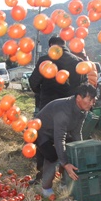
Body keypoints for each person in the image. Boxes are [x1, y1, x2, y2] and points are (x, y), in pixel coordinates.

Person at [29, 35, 87, 184]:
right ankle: (66, 177)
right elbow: (82, 86)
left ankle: (43, 176)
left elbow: (33, 82)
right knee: (66, 140)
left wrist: (40, 91)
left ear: (51, 46)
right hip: (70, 109)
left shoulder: (44, 60)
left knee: (44, 141)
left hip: (47, 106)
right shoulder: (77, 61)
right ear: (65, 44)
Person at [35, 84, 98, 197]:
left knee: (69, 150)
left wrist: (80, 149)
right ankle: (46, 188)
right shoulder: (63, 110)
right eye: (90, 100)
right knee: (52, 156)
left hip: (57, 131)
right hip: (41, 131)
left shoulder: (83, 110)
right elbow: (59, 138)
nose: (92, 103)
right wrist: (65, 163)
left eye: (94, 100)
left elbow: (76, 132)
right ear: (79, 97)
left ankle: (64, 183)